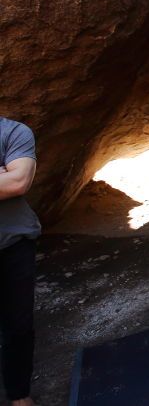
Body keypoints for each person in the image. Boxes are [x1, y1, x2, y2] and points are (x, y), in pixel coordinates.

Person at [0, 117, 41, 406]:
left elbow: (17, 182)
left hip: (13, 245)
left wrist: (9, 177)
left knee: (19, 326)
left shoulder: (14, 132)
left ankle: (19, 394)